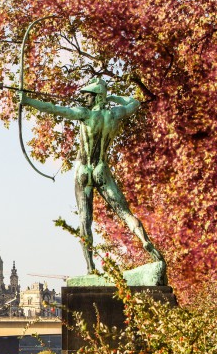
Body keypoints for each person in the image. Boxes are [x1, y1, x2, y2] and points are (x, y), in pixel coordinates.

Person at [21, 78, 165, 275]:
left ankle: (90, 268)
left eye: (88, 95)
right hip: (101, 169)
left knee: (84, 220)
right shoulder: (116, 114)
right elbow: (134, 102)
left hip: (84, 170)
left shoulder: (84, 114)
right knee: (124, 213)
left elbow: (54, 109)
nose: (84, 99)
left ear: (97, 97)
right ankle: (144, 241)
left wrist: (28, 101)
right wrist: (115, 97)